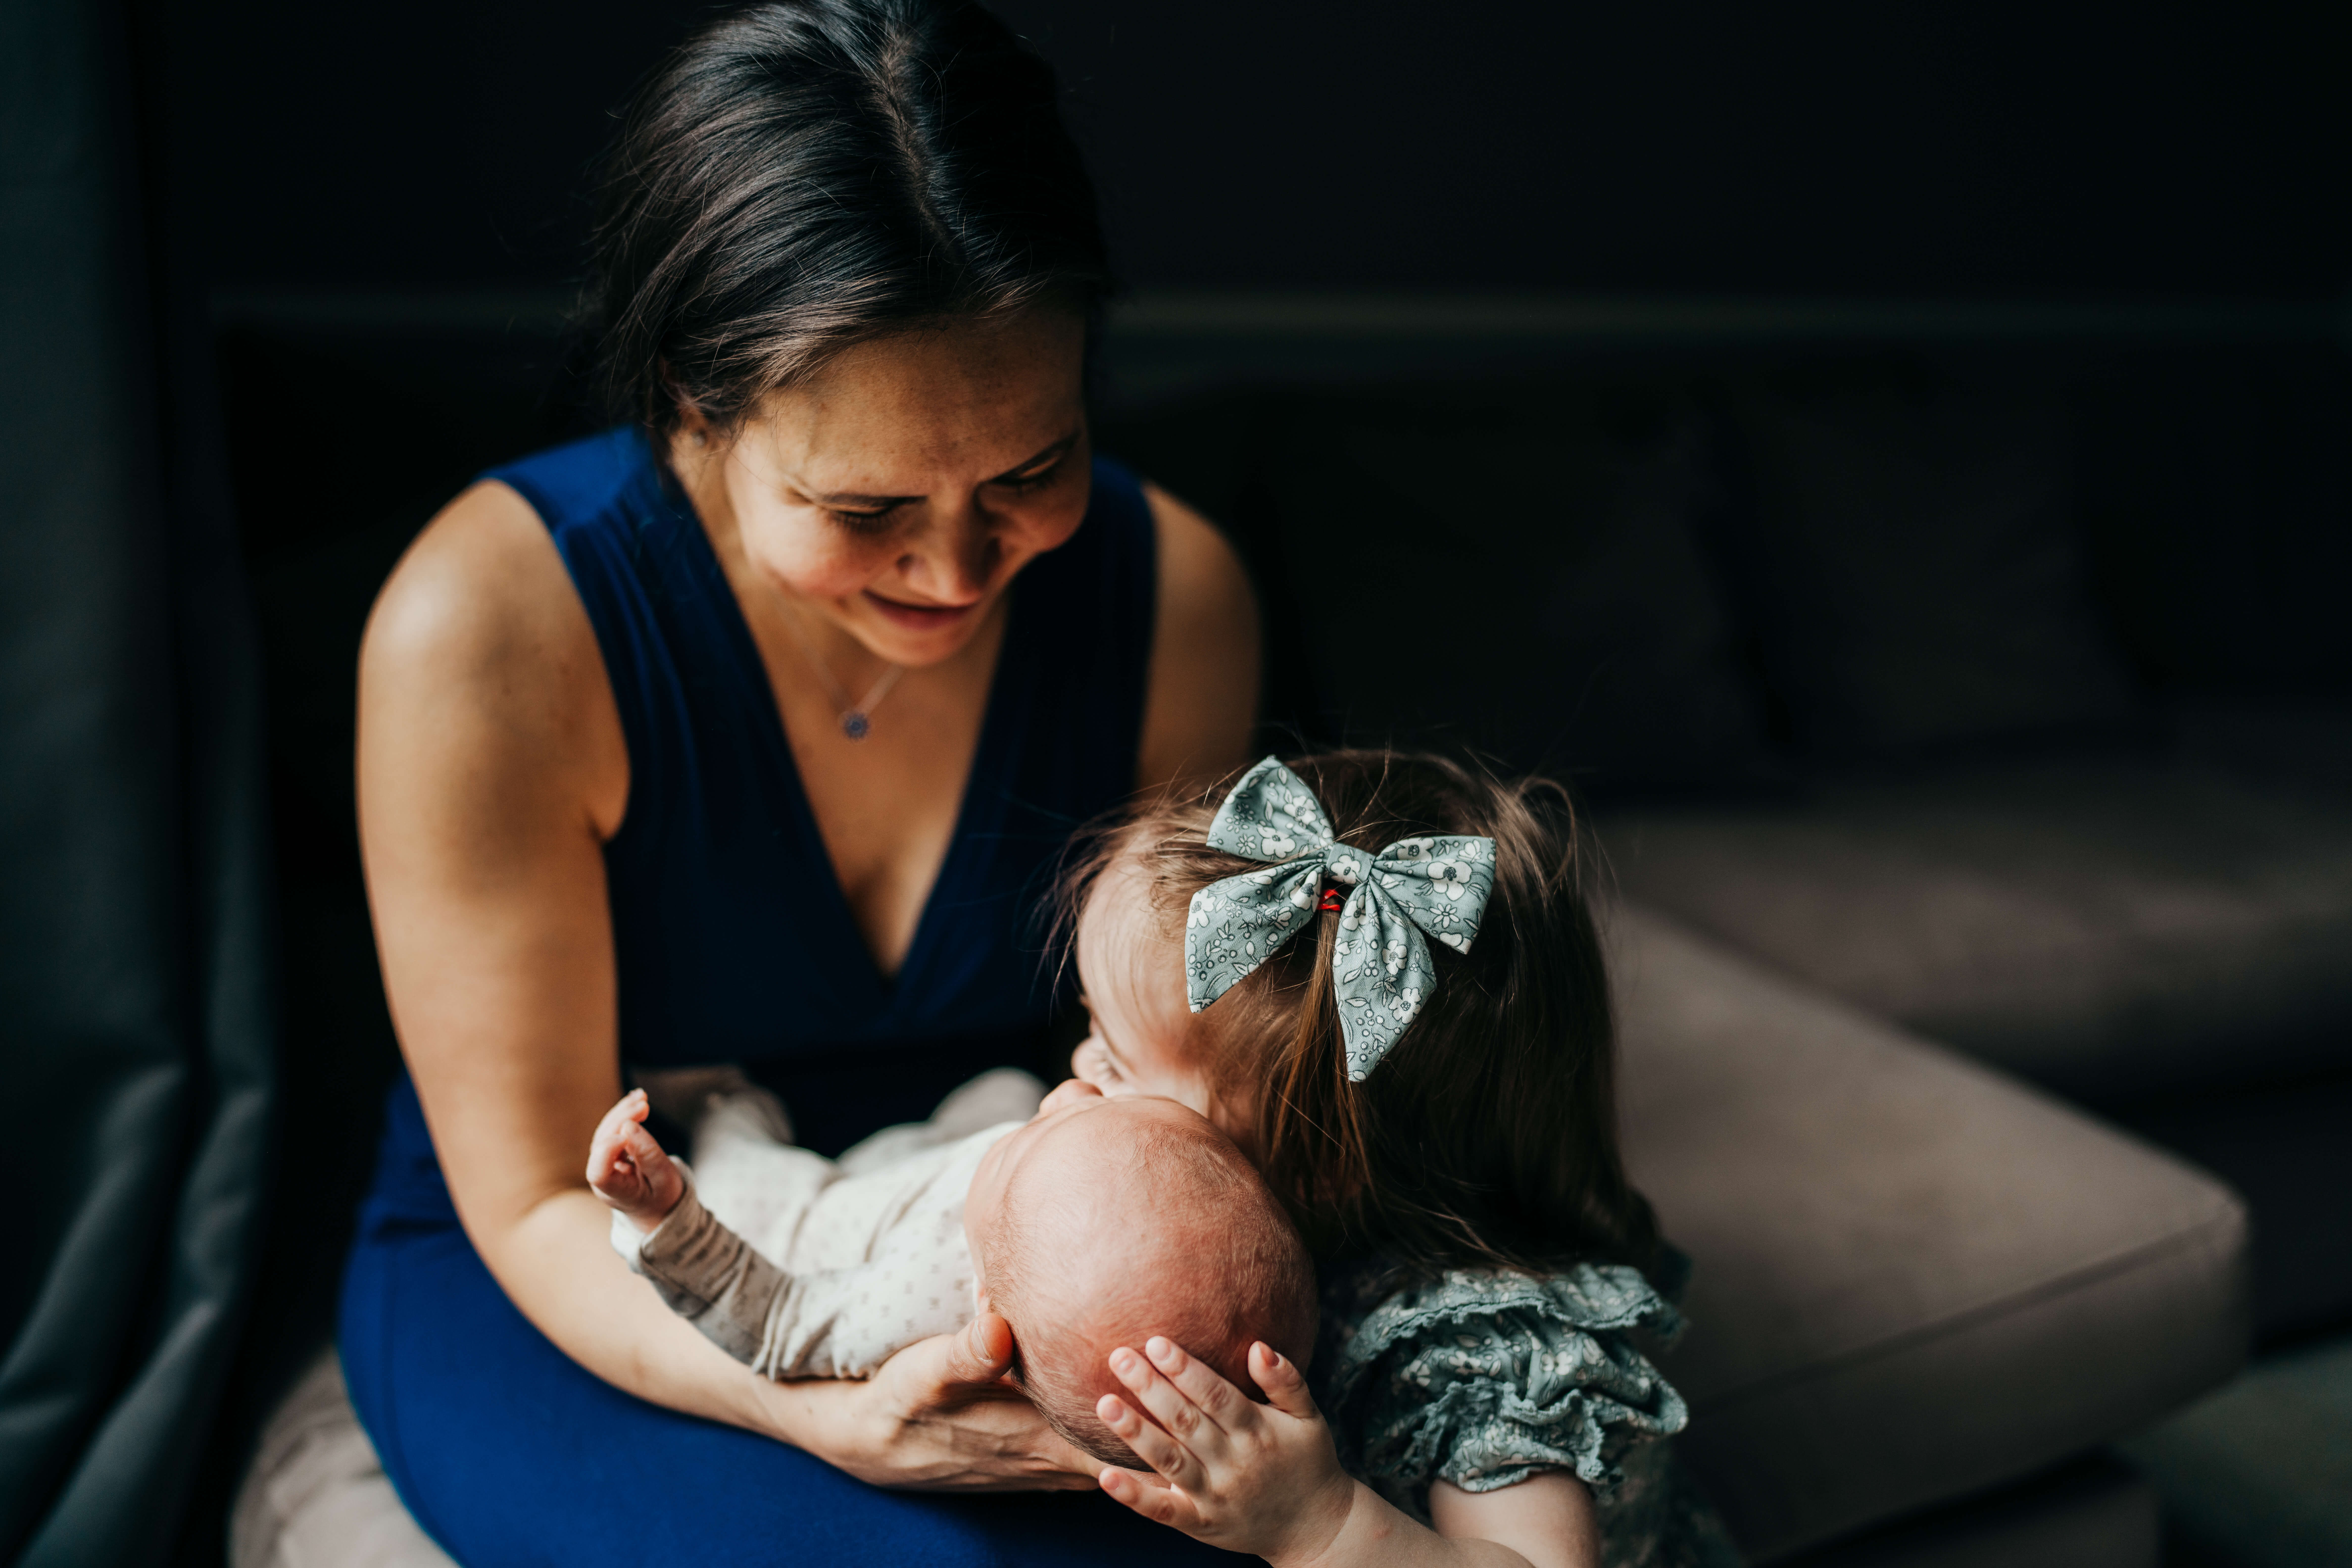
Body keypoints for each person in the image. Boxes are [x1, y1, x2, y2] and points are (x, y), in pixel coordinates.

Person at [342, 1, 1258, 1562]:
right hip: (594, 1264)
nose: (959, 567)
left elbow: (1195, 1082)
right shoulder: (487, 631)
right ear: (694, 401)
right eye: (869, 501)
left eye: (1033, 471)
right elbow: (532, 1196)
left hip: (989, 1226)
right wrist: (807, 1406)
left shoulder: (1172, 596)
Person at [1053, 752, 1742, 1568]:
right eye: (1093, 1026)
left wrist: (1322, 1528)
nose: (1081, 1069)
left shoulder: (1478, 1353)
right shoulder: (1249, 1229)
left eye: (1120, 1063)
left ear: (1322, 1164)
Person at [585, 1078, 1318, 1462]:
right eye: (1109, 1108)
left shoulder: (913, 1310)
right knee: (1009, 1088)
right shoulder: (1059, 1225)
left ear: (982, 1297)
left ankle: (721, 1101)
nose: (1072, 1093)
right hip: (932, 1169)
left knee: (736, 1159)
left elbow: (777, 1322)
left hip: (820, 1223)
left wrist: (667, 1219)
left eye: (1034, 1139)